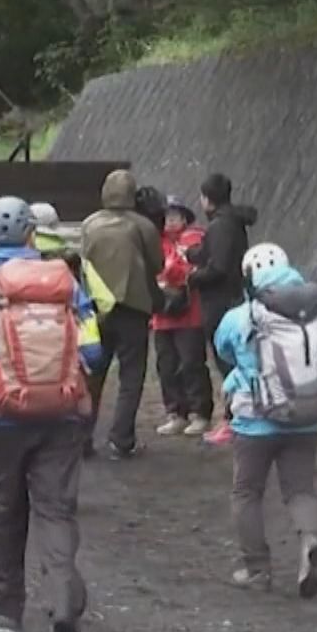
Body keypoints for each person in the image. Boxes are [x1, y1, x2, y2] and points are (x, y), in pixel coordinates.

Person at [0, 196, 103, 632]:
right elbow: (92, 349)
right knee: (56, 508)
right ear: (31, 235)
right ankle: (63, 602)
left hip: (5, 415)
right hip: (62, 413)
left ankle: (5, 603)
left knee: (3, 506)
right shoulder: (63, 278)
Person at [214, 243, 317, 599]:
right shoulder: (314, 310)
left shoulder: (243, 315)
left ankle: (257, 569)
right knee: (300, 490)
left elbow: (222, 348)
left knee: (247, 492)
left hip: (255, 421)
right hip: (306, 416)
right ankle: (311, 540)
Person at [79, 169, 163, 459]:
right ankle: (121, 440)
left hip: (96, 308)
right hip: (133, 306)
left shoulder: (89, 224)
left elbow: (83, 261)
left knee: (93, 373)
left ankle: (82, 438)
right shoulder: (143, 226)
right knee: (131, 375)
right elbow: (158, 263)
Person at [188, 173, 259, 446]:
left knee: (229, 363)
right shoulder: (232, 223)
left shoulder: (220, 226)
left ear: (207, 199)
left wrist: (191, 278)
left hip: (221, 304)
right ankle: (238, 418)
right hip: (234, 299)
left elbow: (217, 268)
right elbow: (216, 255)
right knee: (236, 361)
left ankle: (234, 420)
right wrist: (194, 254)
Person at [152, 194, 213, 436]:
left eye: (175, 216)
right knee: (166, 366)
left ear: (185, 218)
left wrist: (169, 271)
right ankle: (175, 413)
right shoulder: (156, 242)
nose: (170, 221)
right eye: (166, 217)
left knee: (191, 364)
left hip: (190, 314)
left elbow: (189, 269)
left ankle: (201, 413)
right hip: (161, 315)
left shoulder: (194, 239)